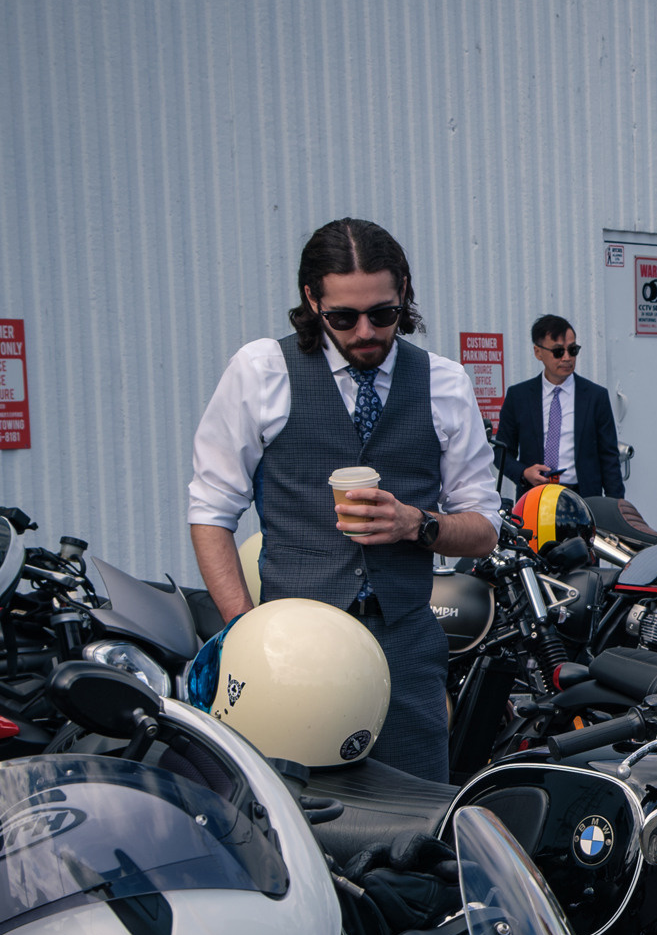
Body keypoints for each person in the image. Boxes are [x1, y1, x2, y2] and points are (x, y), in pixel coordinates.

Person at [187, 218, 500, 780]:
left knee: (417, 829)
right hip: (289, 661)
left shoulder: (444, 383)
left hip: (404, 654)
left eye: (383, 314)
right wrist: (244, 632)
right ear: (312, 300)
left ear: (403, 291)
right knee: (299, 832)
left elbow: (484, 527)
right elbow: (211, 514)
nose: (365, 333)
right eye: (342, 318)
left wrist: (417, 525)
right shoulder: (261, 372)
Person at [494, 315, 624, 501]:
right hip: (534, 499)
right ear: (538, 352)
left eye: (572, 350)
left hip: (583, 499)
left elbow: (610, 459)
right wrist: (524, 472)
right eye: (558, 352)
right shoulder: (519, 396)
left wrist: (616, 510)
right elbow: (501, 453)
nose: (567, 358)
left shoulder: (595, 397)